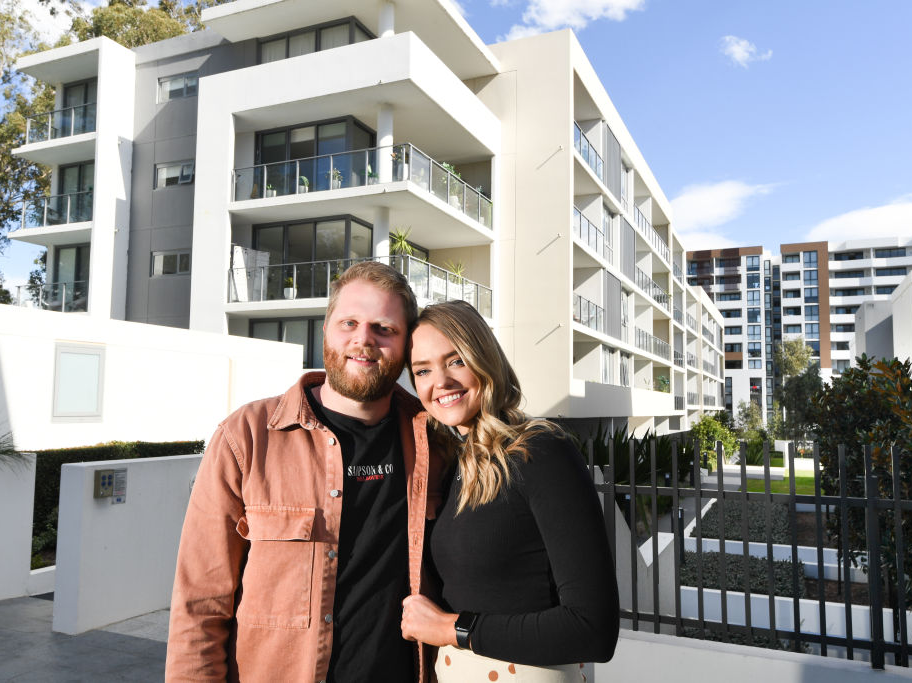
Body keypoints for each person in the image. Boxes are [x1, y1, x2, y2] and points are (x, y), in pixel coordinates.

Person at [166, 261, 443, 682]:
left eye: (384, 329)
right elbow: (200, 602)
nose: (362, 340)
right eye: (348, 322)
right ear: (326, 328)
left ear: (405, 345)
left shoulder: (434, 441)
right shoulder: (246, 437)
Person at [401, 300, 619, 682]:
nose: (440, 382)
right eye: (422, 370)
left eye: (455, 361)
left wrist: (452, 628)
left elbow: (594, 628)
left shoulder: (541, 451)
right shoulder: (457, 461)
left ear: (484, 358)